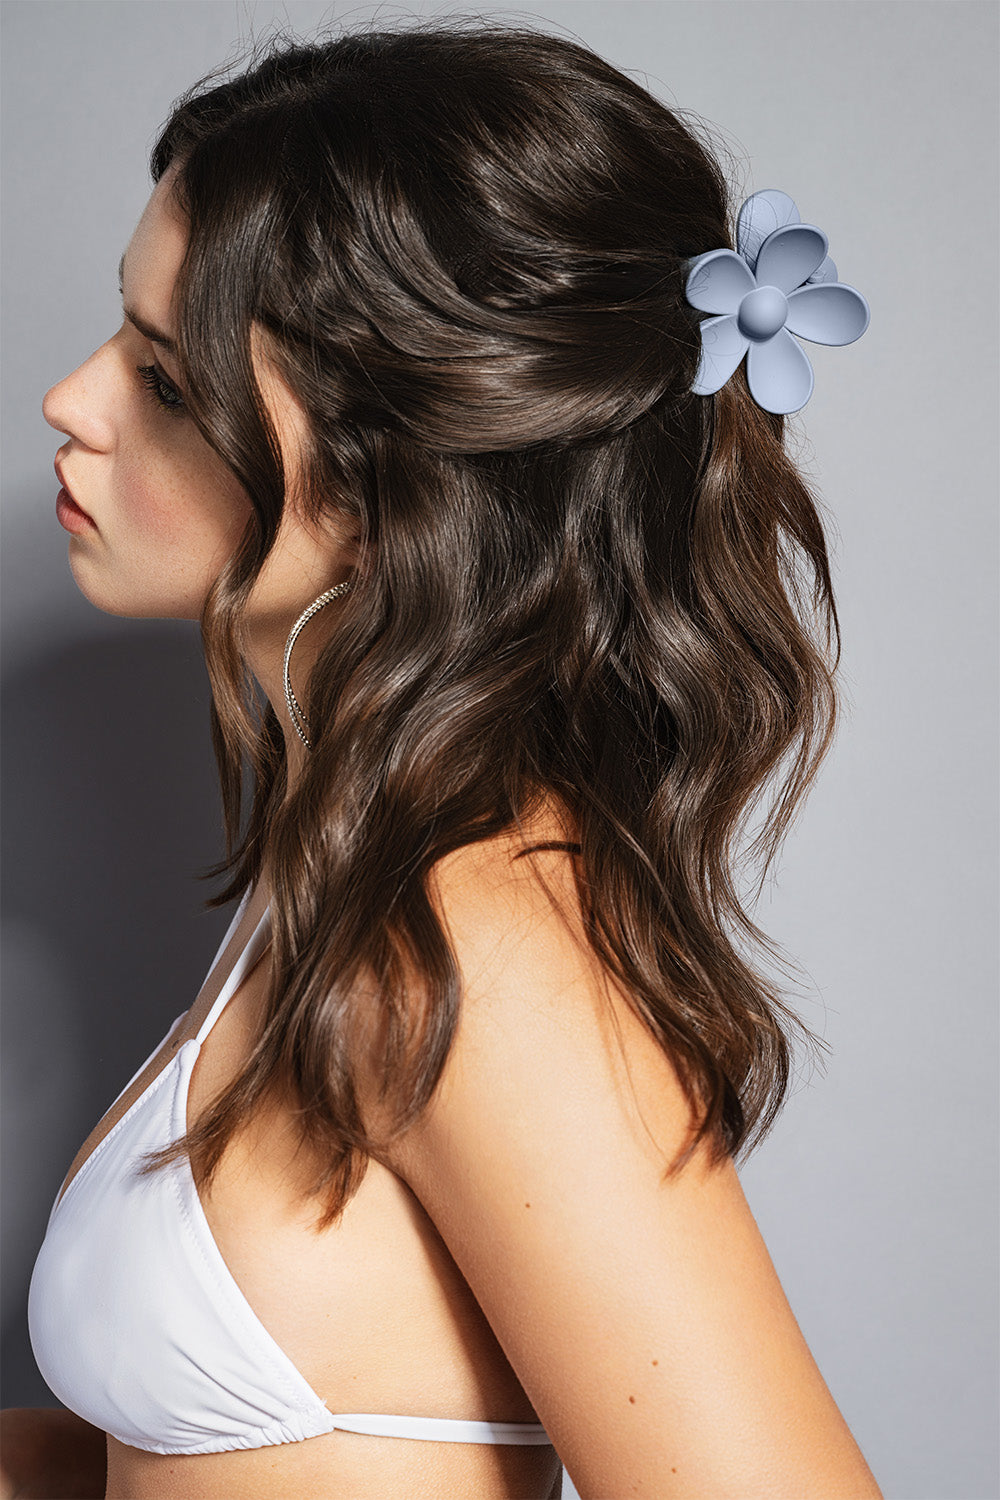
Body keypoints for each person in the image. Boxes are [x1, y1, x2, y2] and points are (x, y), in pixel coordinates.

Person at [4, 19, 882, 1500]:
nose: (71, 403)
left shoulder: (476, 944)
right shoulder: (351, 877)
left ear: (394, 475)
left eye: (164, 378)